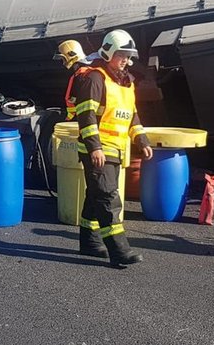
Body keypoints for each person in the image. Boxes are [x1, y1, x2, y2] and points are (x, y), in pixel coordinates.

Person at [72, 29, 153, 268]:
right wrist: (94, 147)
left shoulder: (127, 84)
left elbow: (132, 116)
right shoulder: (95, 79)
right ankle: (119, 250)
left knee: (95, 196)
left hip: (116, 150)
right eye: (122, 56)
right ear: (108, 53)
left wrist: (142, 140)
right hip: (97, 150)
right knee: (108, 197)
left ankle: (89, 243)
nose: (126, 62)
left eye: (129, 57)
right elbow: (85, 116)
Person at [53, 39, 95, 120]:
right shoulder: (79, 73)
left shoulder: (83, 75)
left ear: (71, 55)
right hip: (78, 118)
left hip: (82, 120)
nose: (63, 63)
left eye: (63, 59)